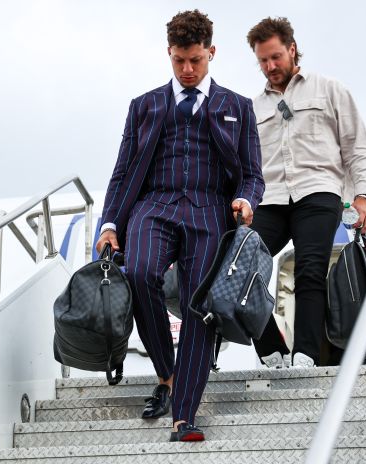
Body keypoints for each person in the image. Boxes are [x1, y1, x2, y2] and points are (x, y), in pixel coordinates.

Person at [95, 10, 264, 442]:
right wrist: (111, 223)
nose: (187, 71)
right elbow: (122, 171)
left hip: (210, 212)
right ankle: (167, 373)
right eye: (178, 61)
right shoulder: (145, 106)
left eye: (196, 61)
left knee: (197, 308)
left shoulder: (237, 107)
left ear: (211, 52)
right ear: (168, 54)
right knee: (142, 272)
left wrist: (245, 198)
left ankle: (183, 415)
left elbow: (252, 174)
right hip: (154, 206)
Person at [245, 17, 366, 368]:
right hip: (270, 198)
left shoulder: (329, 89)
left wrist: (362, 196)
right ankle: (271, 348)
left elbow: (358, 147)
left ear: (291, 49)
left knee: (310, 267)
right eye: (262, 61)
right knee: (241, 264)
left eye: (275, 57)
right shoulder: (252, 108)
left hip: (319, 191)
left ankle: (305, 353)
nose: (270, 66)